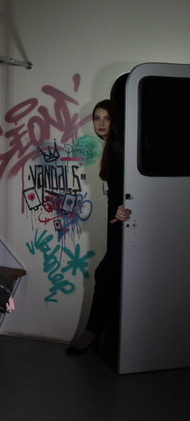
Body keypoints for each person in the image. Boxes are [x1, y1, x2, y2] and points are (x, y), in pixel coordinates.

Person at [66, 99, 131, 354]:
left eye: (106, 118)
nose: (101, 123)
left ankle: (92, 334)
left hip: (125, 226)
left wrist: (126, 206)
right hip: (119, 225)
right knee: (109, 278)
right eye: (96, 118)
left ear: (115, 121)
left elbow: (132, 185)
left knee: (104, 275)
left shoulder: (117, 146)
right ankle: (101, 335)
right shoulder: (113, 146)